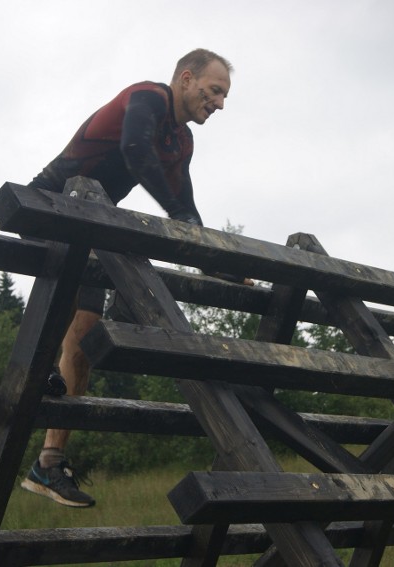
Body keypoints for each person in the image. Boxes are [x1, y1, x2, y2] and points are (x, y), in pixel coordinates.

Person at [20, 49, 244, 507]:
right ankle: (37, 370)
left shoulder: (182, 143)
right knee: (68, 321)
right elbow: (136, 152)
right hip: (49, 206)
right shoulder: (146, 98)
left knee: (81, 343)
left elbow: (187, 211)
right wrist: (179, 216)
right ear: (186, 79)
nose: (219, 103)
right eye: (214, 90)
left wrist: (221, 264)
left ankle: (47, 463)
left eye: (224, 95)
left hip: (93, 222)